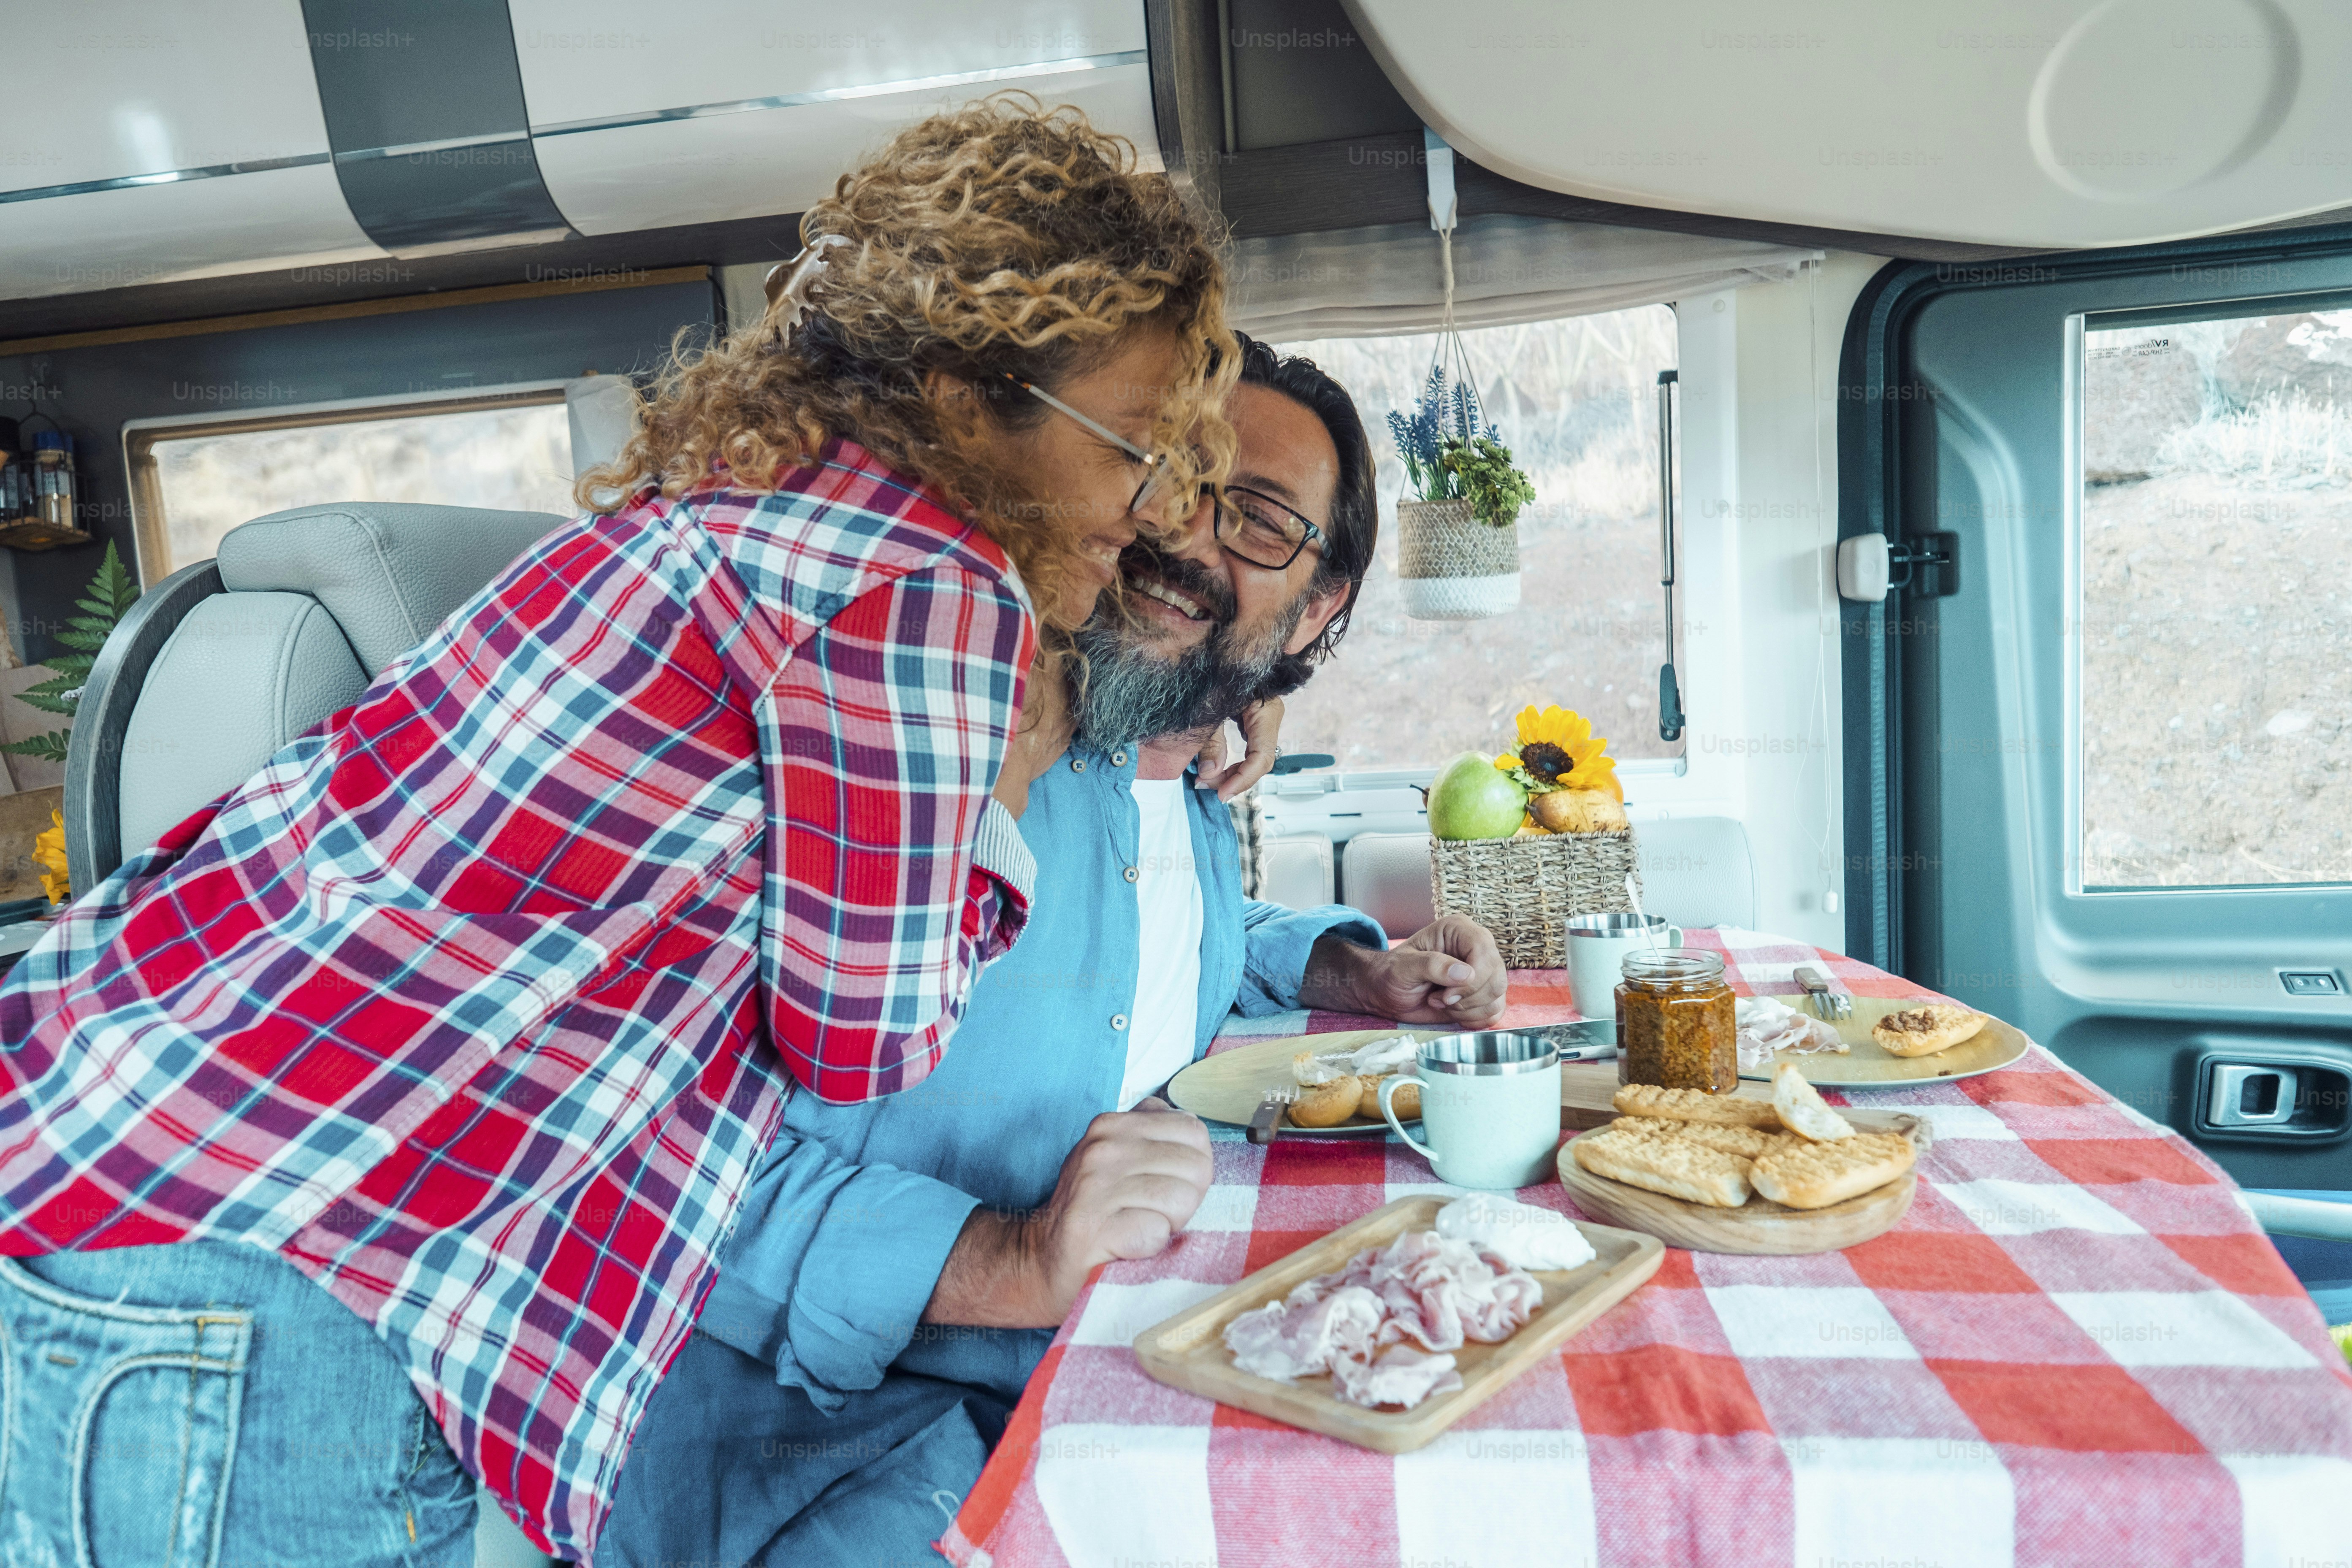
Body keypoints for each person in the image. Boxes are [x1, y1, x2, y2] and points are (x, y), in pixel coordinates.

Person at [0, 99, 1255, 1565]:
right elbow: (866, 1039)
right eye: (1134, 450)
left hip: (116, 1184)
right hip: (283, 1284)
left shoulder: (721, 506)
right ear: (970, 397)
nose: (1158, 509)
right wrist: (1015, 775)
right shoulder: (929, 582)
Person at [596, 336, 1509, 1568]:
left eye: (1256, 521)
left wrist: (1345, 968)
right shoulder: (931, 750)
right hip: (829, 1455)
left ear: (1322, 602)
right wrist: (1007, 1260)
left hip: (1088, 1390)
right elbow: (636, 1169)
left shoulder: (1180, 786)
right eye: (1176, 477)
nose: (1187, 533)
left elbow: (1163, 946)